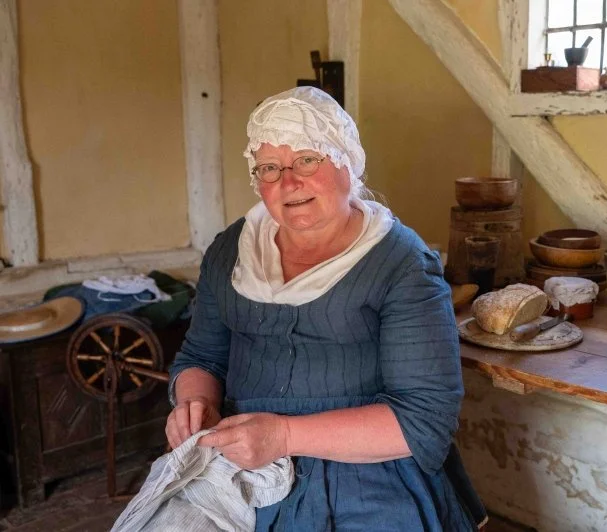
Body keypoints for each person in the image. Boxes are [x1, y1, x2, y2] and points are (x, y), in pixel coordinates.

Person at [166, 86, 485, 530]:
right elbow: (201, 357)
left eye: (307, 160)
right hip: (241, 466)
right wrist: (195, 404)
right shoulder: (231, 251)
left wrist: (282, 436)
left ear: (347, 161)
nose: (288, 182)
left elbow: (423, 420)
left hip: (371, 479)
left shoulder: (401, 262)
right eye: (270, 168)